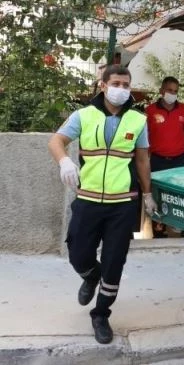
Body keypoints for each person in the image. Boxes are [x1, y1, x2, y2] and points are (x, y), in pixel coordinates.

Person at [47, 65, 156, 345]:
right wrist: (64, 161)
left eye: (126, 84)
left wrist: (147, 194)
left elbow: (142, 159)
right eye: (117, 83)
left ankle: (101, 314)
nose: (122, 88)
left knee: (114, 262)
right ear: (104, 85)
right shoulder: (84, 115)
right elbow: (56, 141)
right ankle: (90, 275)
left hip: (122, 204)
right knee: (77, 253)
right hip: (88, 199)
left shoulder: (138, 120)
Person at [145, 76, 184, 238]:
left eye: (175, 91)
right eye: (169, 90)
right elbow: (144, 137)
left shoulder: (183, 109)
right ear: (162, 91)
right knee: (157, 196)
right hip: (158, 160)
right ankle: (158, 230)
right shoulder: (150, 111)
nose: (172, 94)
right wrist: (145, 160)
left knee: (179, 195)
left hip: (180, 160)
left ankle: (178, 227)